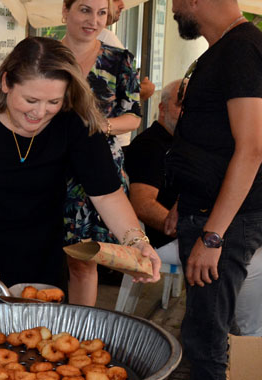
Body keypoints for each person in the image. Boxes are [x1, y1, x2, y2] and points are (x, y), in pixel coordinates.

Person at [0, 36, 160, 308]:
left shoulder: (74, 118)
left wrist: (136, 242)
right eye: (31, 99)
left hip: (41, 243)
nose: (40, 112)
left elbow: (106, 194)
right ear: (5, 83)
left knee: (43, 334)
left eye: (53, 102)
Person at [167, 0, 262, 378]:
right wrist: (182, 198)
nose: (174, 10)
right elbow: (213, 141)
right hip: (204, 210)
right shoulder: (224, 47)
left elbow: (252, 148)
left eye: (176, 2)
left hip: (223, 223)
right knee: (200, 333)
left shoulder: (241, 48)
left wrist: (213, 236)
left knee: (207, 343)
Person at [60, 0, 142, 306]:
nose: (93, 19)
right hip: (46, 165)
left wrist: (97, 127)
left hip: (96, 171)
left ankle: (79, 337)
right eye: (84, 9)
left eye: (101, 12)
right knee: (39, 253)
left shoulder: (118, 60)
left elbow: (133, 116)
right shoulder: (43, 56)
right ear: (65, 11)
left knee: (83, 260)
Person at [125, 79, 182, 249]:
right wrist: (189, 232)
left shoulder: (184, 145)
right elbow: (143, 205)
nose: (187, 112)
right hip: (165, 242)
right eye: (180, 105)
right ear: (162, 108)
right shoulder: (150, 146)